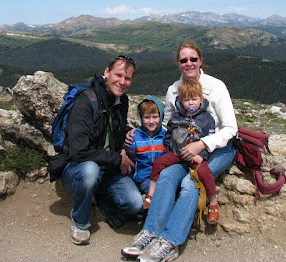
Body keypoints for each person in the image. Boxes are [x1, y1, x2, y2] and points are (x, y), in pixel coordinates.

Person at [122, 41, 238, 262]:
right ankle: (151, 231)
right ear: (178, 63)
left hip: (218, 149)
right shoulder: (173, 90)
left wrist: (202, 144)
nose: (189, 63)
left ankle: (170, 241)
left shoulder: (216, 86)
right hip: (183, 149)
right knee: (165, 175)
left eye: (193, 59)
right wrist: (136, 134)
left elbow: (231, 128)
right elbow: (166, 125)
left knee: (190, 183)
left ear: (200, 61)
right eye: (184, 60)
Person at [49, 55, 143, 245]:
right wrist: (117, 160)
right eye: (118, 75)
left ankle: (101, 205)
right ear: (106, 73)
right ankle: (80, 221)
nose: (122, 82)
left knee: (135, 204)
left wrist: (127, 134)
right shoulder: (86, 101)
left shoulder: (120, 101)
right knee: (90, 171)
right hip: (78, 167)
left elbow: (109, 130)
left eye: (127, 78)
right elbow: (79, 151)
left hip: (106, 168)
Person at [144, 79, 219, 224]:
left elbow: (209, 139)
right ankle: (150, 195)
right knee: (159, 163)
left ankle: (213, 203)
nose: (191, 103)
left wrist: (201, 156)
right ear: (180, 100)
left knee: (204, 173)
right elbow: (169, 134)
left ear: (201, 100)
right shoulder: (176, 117)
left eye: (194, 99)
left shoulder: (206, 119)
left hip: (195, 156)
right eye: (187, 100)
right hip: (177, 153)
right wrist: (168, 150)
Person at [128, 96, 166, 194]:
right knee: (157, 194)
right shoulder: (135, 137)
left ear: (161, 116)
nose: (151, 121)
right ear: (141, 118)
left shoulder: (165, 137)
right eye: (147, 117)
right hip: (143, 178)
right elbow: (130, 161)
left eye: (155, 117)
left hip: (161, 177)